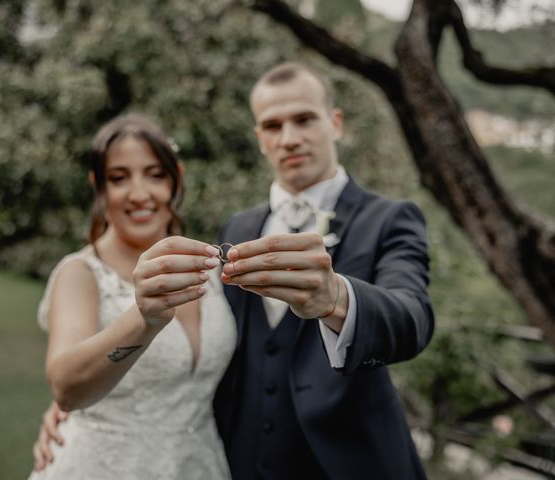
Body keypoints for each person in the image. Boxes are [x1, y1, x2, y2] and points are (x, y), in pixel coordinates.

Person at [34, 62, 434, 479]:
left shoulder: (390, 219)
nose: (290, 138)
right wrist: (83, 399)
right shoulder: (237, 229)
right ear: (260, 138)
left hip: (350, 466)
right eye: (273, 125)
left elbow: (412, 319)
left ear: (335, 123)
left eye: (304, 119)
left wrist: (335, 297)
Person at [28, 113, 236, 479]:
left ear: (176, 179)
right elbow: (65, 388)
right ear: (99, 186)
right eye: (119, 178)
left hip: (199, 463)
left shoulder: (210, 268)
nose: (139, 194)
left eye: (155, 174)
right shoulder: (80, 274)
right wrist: (143, 320)